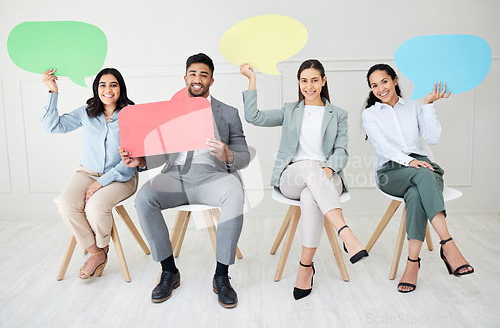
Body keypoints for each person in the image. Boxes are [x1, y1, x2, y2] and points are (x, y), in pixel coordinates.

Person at [119, 53, 250, 308]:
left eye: (203, 74)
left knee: (235, 191)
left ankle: (222, 276)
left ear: (212, 80)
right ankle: (169, 270)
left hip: (213, 176)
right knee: (145, 197)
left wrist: (228, 153)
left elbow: (244, 155)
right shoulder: (171, 111)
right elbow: (161, 151)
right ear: (185, 78)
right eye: (193, 74)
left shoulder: (228, 113)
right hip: (175, 176)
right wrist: (141, 162)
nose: (197, 79)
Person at [240, 59, 368, 300]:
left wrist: (329, 168)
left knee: (311, 195)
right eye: (304, 81)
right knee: (309, 167)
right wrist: (251, 79)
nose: (309, 86)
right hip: (293, 176)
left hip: (327, 177)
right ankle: (346, 233)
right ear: (299, 83)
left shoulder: (338, 114)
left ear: (323, 81)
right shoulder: (290, 110)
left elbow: (341, 151)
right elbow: (253, 117)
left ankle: (305, 267)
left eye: (314, 80)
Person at [362, 63, 474, 293]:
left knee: (415, 194)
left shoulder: (413, 106)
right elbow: (382, 146)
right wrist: (410, 161)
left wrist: (428, 105)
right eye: (374, 85)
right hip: (390, 172)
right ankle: (448, 244)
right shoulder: (370, 114)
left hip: (423, 168)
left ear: (394, 80)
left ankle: (412, 263)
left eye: (384, 81)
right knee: (423, 175)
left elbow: (432, 138)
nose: (380, 88)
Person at [41, 68, 137, 279]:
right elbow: (52, 127)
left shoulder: (132, 114)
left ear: (121, 88)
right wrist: (52, 92)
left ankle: (103, 247)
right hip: (86, 172)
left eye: (113, 84)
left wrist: (101, 183)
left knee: (95, 205)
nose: (108, 90)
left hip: (121, 176)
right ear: (96, 89)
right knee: (66, 203)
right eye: (102, 85)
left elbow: (132, 162)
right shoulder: (86, 112)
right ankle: (96, 252)